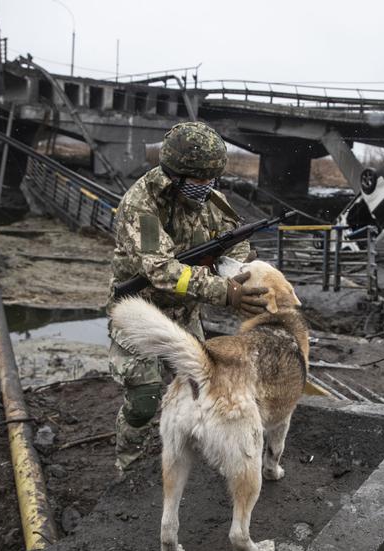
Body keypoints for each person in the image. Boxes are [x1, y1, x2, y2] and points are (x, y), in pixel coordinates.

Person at [108, 121, 268, 471]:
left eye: (212, 180)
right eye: (198, 180)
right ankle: (128, 465)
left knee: (200, 389)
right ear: (175, 176)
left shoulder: (213, 200)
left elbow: (237, 240)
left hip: (184, 315)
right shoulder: (141, 204)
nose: (206, 187)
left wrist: (230, 267)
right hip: (140, 311)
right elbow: (161, 271)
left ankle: (188, 454)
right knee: (144, 400)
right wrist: (224, 292)